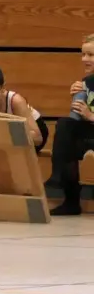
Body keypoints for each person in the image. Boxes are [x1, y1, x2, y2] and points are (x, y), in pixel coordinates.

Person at [47, 34, 94, 216]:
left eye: (90, 55)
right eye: (83, 54)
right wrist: (77, 102)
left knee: (68, 136)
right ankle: (70, 199)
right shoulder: (87, 82)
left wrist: (90, 114)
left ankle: (58, 176)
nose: (85, 59)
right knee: (65, 128)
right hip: (89, 132)